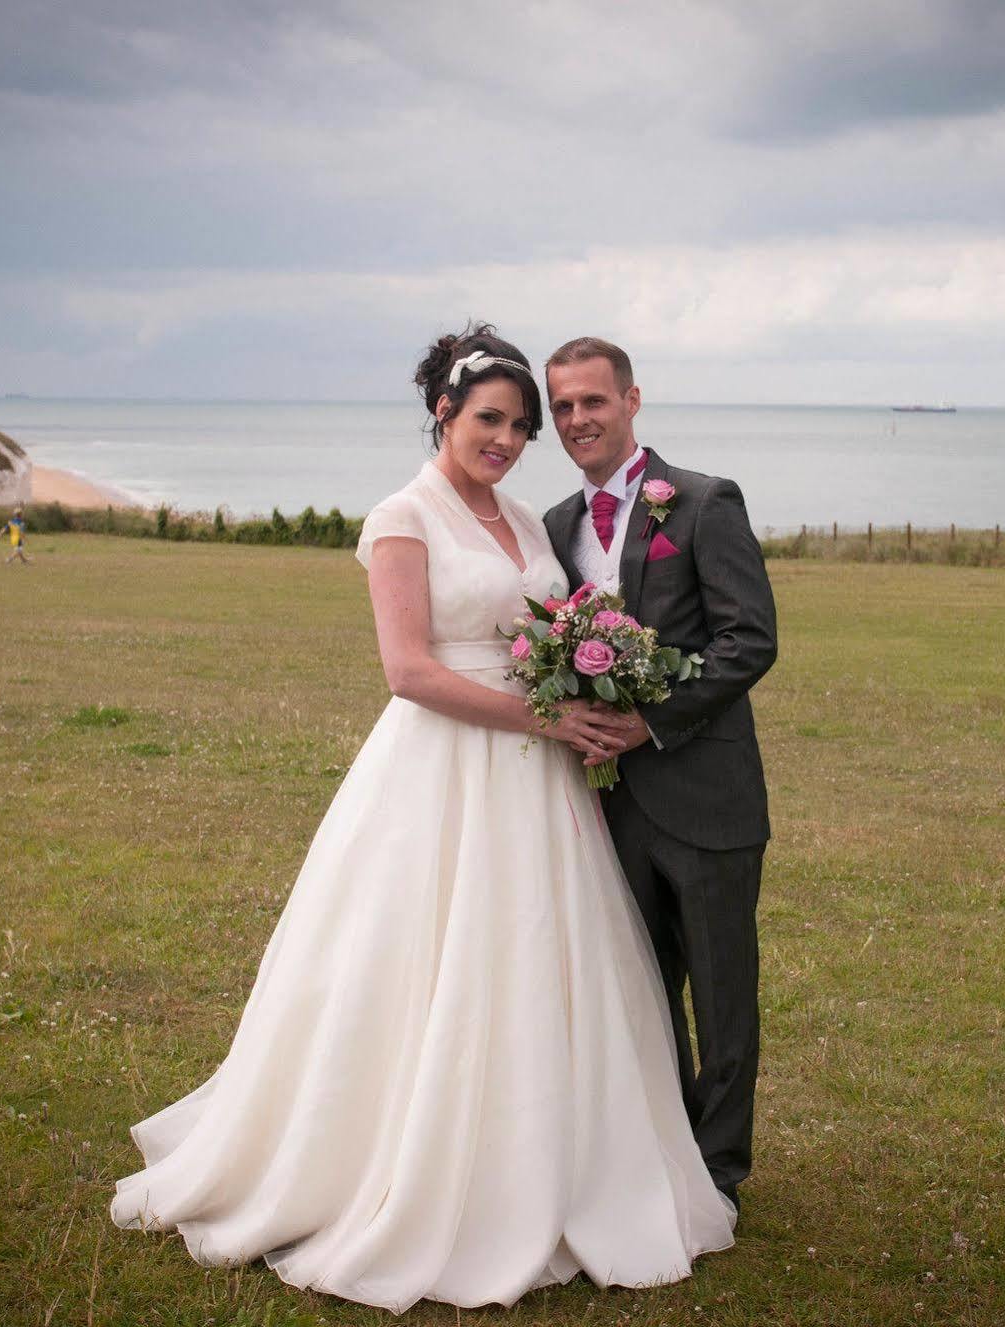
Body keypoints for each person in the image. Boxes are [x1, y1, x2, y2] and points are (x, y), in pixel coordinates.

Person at [111, 325, 735, 1311]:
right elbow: (407, 671)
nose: (507, 439)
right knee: (420, 960)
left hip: (539, 781)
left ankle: (556, 1165)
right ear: (442, 411)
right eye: (490, 418)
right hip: (440, 767)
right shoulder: (401, 518)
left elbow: (549, 628)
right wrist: (545, 709)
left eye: (522, 426)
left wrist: (590, 676)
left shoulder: (530, 523)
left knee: (537, 959)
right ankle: (396, 1165)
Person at [542, 337, 777, 1216]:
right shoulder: (555, 522)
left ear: (631, 400)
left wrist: (651, 720)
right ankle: (659, 1153)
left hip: (707, 796)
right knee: (639, 994)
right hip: (606, 803)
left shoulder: (705, 502)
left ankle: (719, 1172)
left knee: (721, 996)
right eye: (561, 407)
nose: (577, 421)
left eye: (591, 402)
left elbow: (748, 639)